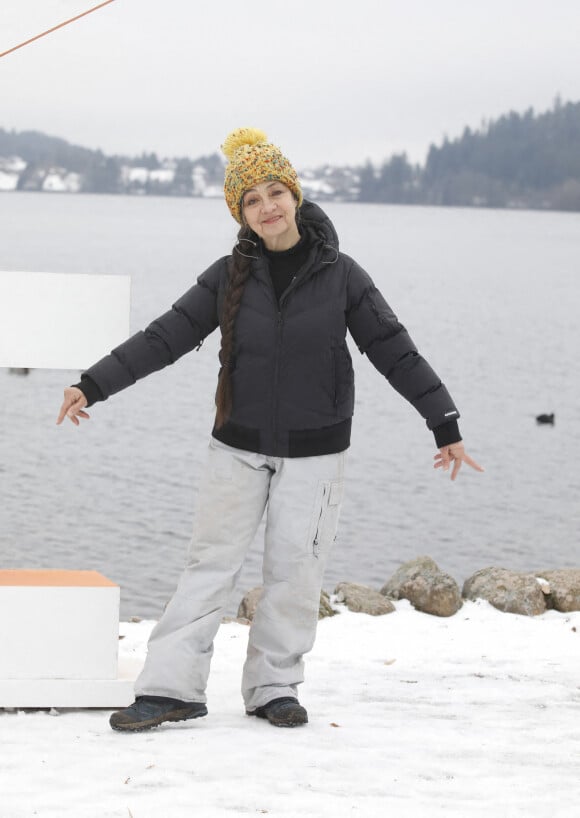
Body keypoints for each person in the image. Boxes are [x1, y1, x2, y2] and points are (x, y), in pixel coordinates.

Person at [57, 127, 483, 732]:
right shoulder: (229, 274)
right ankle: (170, 688)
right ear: (241, 213)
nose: (268, 207)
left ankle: (273, 686)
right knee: (208, 566)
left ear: (296, 195)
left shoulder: (342, 274)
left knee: (294, 572)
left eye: (275, 191)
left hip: (317, 452)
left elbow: (394, 349)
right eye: (251, 199)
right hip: (237, 446)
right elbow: (166, 336)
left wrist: (444, 422)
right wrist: (92, 383)